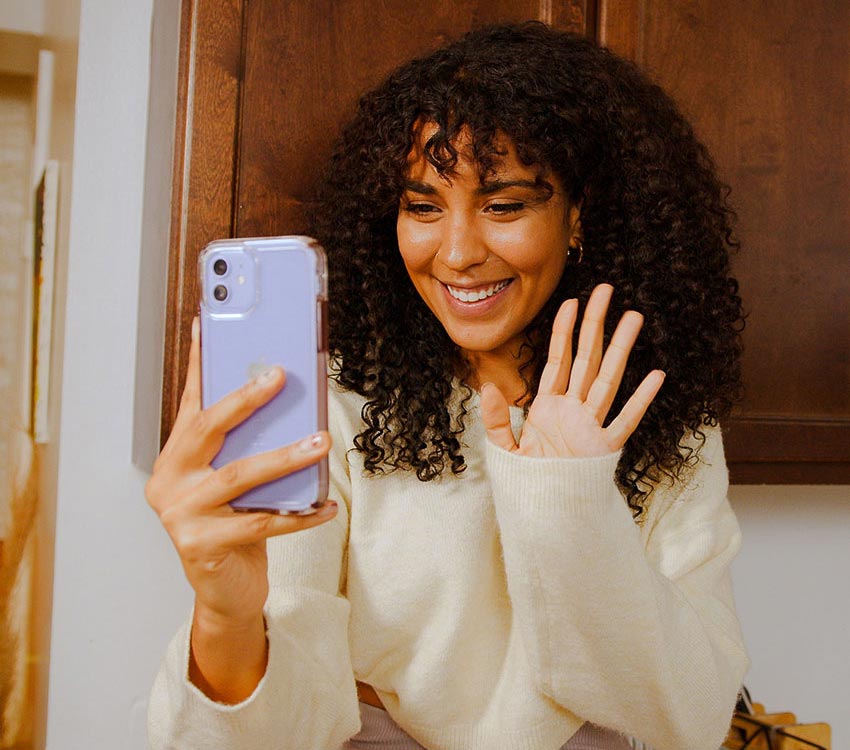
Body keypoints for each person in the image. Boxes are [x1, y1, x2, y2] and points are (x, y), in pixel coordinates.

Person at [146, 21, 749, 750]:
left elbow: (689, 718)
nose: (459, 253)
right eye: (424, 207)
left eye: (503, 206)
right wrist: (227, 614)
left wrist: (571, 504)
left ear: (578, 215)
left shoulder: (660, 415)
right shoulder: (335, 407)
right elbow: (275, 730)